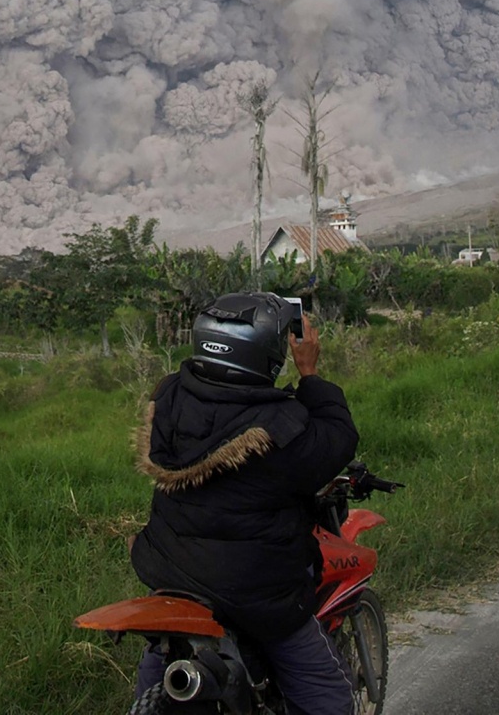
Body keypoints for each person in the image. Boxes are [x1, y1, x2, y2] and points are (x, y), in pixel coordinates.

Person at [130, 291, 359, 715]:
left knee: (159, 667)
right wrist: (309, 372)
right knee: (331, 699)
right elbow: (337, 441)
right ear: (267, 357)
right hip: (252, 589)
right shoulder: (281, 429)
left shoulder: (170, 396)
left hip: (170, 572)